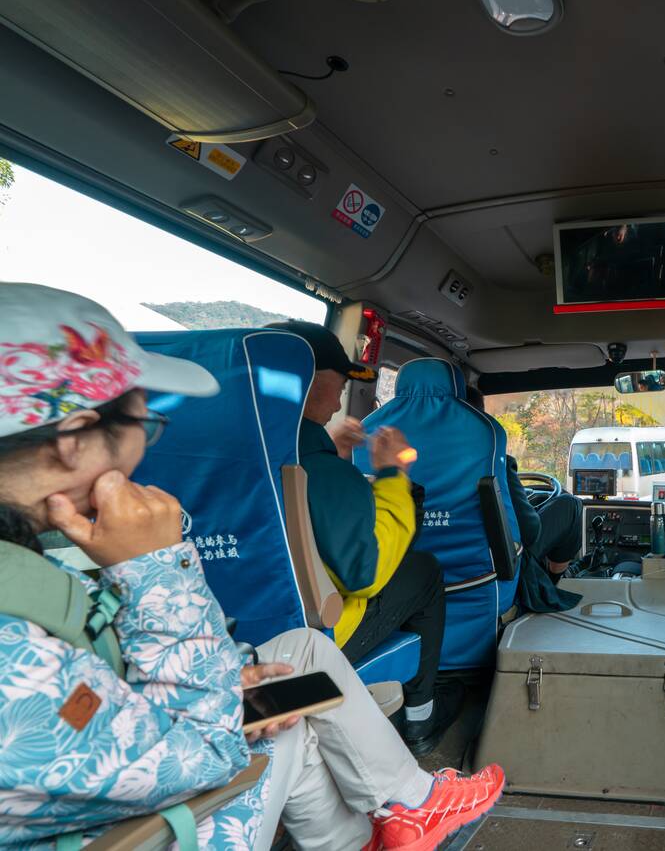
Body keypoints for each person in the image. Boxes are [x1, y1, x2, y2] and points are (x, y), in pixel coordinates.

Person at [0, 284, 503, 850]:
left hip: (144, 747)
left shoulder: (30, 563)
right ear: (72, 442)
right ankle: (408, 801)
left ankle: (390, 821)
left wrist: (226, 681)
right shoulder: (16, 650)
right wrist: (155, 570)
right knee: (297, 712)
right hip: (157, 810)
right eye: (147, 426)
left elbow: (88, 698)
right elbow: (203, 755)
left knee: (299, 670)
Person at [267, 320, 454, 757]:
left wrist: (333, 452)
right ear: (312, 380)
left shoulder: (231, 451)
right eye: (341, 382)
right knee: (423, 569)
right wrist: (392, 475)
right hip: (313, 639)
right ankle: (421, 717)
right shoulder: (325, 473)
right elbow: (366, 574)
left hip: (244, 640)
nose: (339, 400)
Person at [465, 385, 583, 613]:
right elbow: (530, 533)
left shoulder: (406, 458)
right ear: (481, 419)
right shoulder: (493, 460)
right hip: (497, 566)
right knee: (571, 505)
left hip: (441, 571)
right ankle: (555, 578)